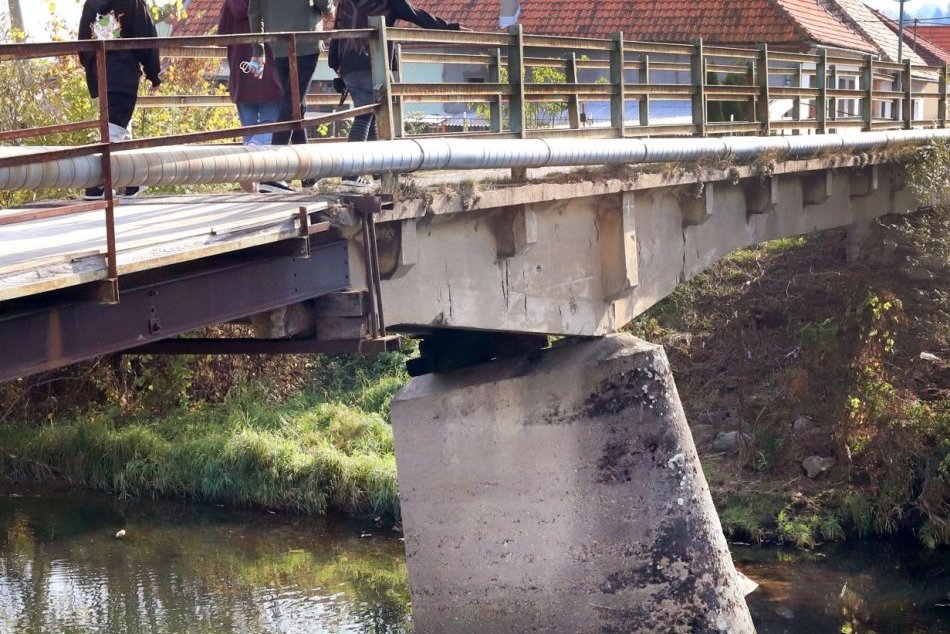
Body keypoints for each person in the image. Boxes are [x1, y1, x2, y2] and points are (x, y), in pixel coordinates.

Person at [329, 0, 463, 191]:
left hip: (348, 62)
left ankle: (378, 169)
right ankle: (350, 175)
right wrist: (450, 28)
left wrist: (335, 63)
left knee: (374, 113)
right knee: (365, 116)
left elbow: (338, 28)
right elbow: (417, 15)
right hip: (370, 60)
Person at [248, 0, 336, 193]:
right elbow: (323, 2)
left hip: (278, 43)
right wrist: (330, 10)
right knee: (292, 102)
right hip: (306, 39)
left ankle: (308, 174)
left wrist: (258, 49)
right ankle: (272, 173)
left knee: (296, 104)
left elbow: (253, 12)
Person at [78, 0, 161, 200]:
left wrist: (91, 66)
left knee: (120, 127)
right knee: (114, 130)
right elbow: (146, 37)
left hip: (100, 71)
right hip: (123, 73)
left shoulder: (91, 3)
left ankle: (131, 181)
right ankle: (97, 184)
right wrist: (153, 73)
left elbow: (82, 40)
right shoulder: (132, 2)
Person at [217, 0, 284, 193]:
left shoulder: (231, 3)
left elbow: (222, 34)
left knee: (249, 128)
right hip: (268, 68)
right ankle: (257, 164)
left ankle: (252, 178)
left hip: (241, 70)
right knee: (271, 123)